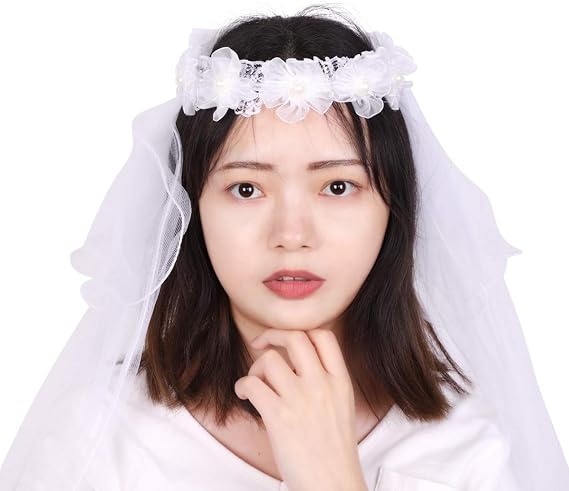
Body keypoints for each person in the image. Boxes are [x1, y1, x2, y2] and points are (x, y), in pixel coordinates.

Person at [1, 4, 567, 490]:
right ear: (189, 210)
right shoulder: (99, 438)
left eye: (337, 187)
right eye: (246, 189)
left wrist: (330, 474)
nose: (292, 234)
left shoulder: (466, 446)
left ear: (394, 207)